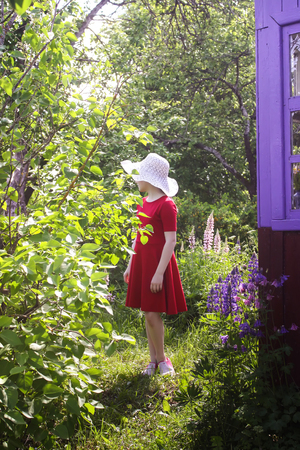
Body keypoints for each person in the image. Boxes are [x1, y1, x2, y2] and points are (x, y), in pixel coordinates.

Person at [121, 153, 187, 376]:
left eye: (138, 175)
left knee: (151, 313)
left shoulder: (167, 205)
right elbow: (138, 236)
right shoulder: (142, 203)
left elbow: (171, 241)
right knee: (147, 312)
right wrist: (131, 263)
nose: (135, 179)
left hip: (158, 265)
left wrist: (159, 273)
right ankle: (153, 361)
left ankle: (162, 360)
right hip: (141, 263)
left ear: (148, 178)